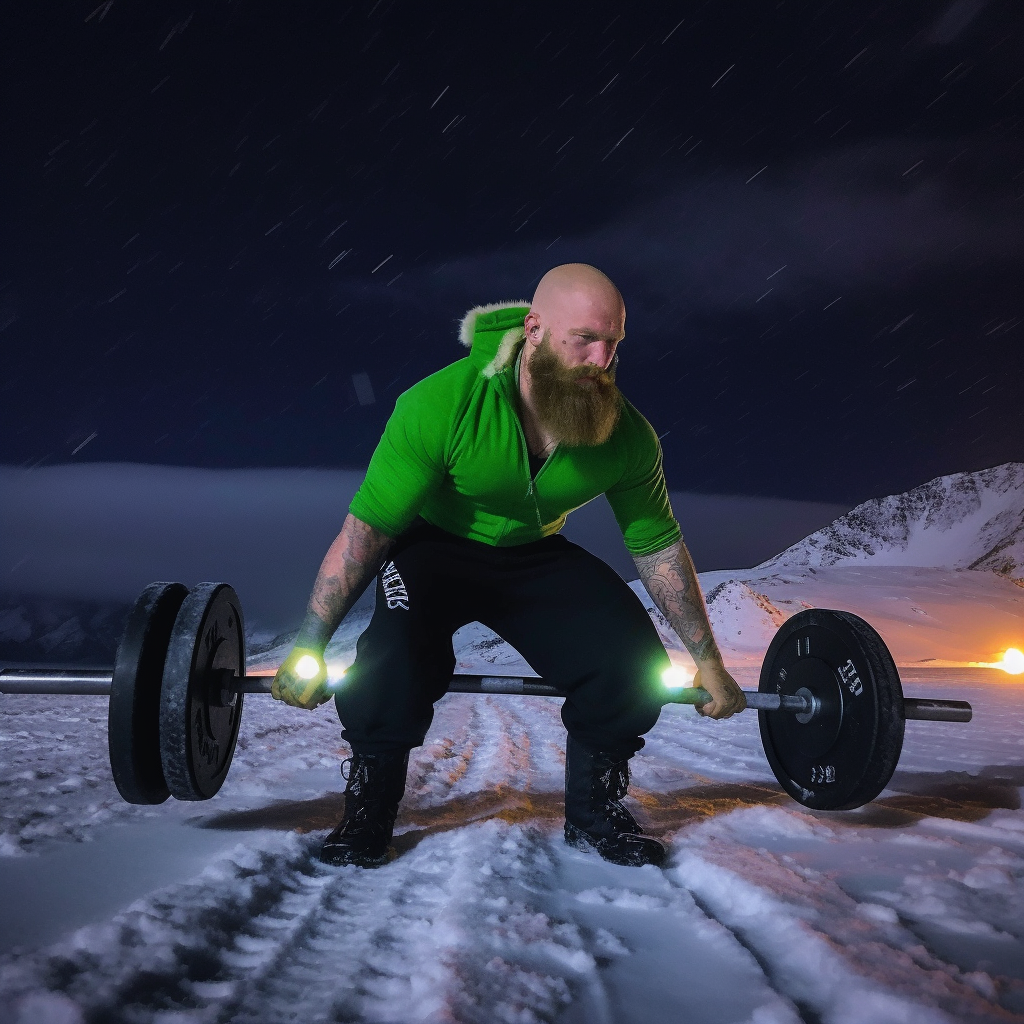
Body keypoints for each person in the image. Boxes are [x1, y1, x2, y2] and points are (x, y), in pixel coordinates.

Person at [272, 263, 745, 869]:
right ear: (536, 328)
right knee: (395, 657)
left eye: (614, 343)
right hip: (434, 549)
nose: (601, 360)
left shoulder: (626, 436)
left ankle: (596, 814)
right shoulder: (439, 404)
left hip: (533, 554)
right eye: (584, 340)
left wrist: (707, 657)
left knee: (629, 658)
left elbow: (656, 546)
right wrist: (309, 644)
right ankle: (368, 809)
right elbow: (366, 533)